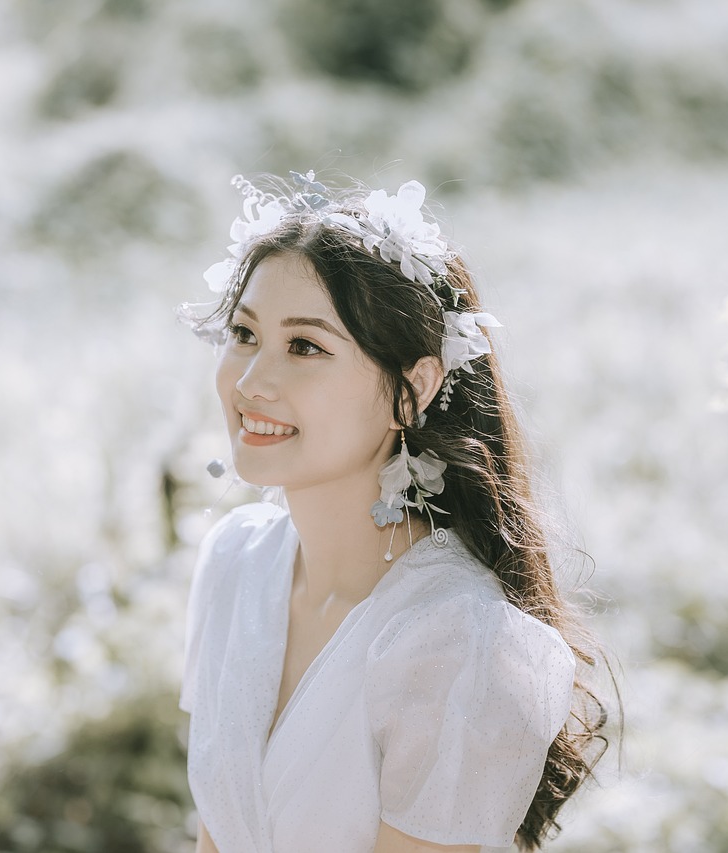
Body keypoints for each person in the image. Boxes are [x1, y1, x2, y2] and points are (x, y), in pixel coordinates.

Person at [177, 171, 607, 853]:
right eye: (244, 332)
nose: (252, 381)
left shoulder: (459, 643)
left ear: (413, 387)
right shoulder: (235, 561)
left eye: (306, 346)